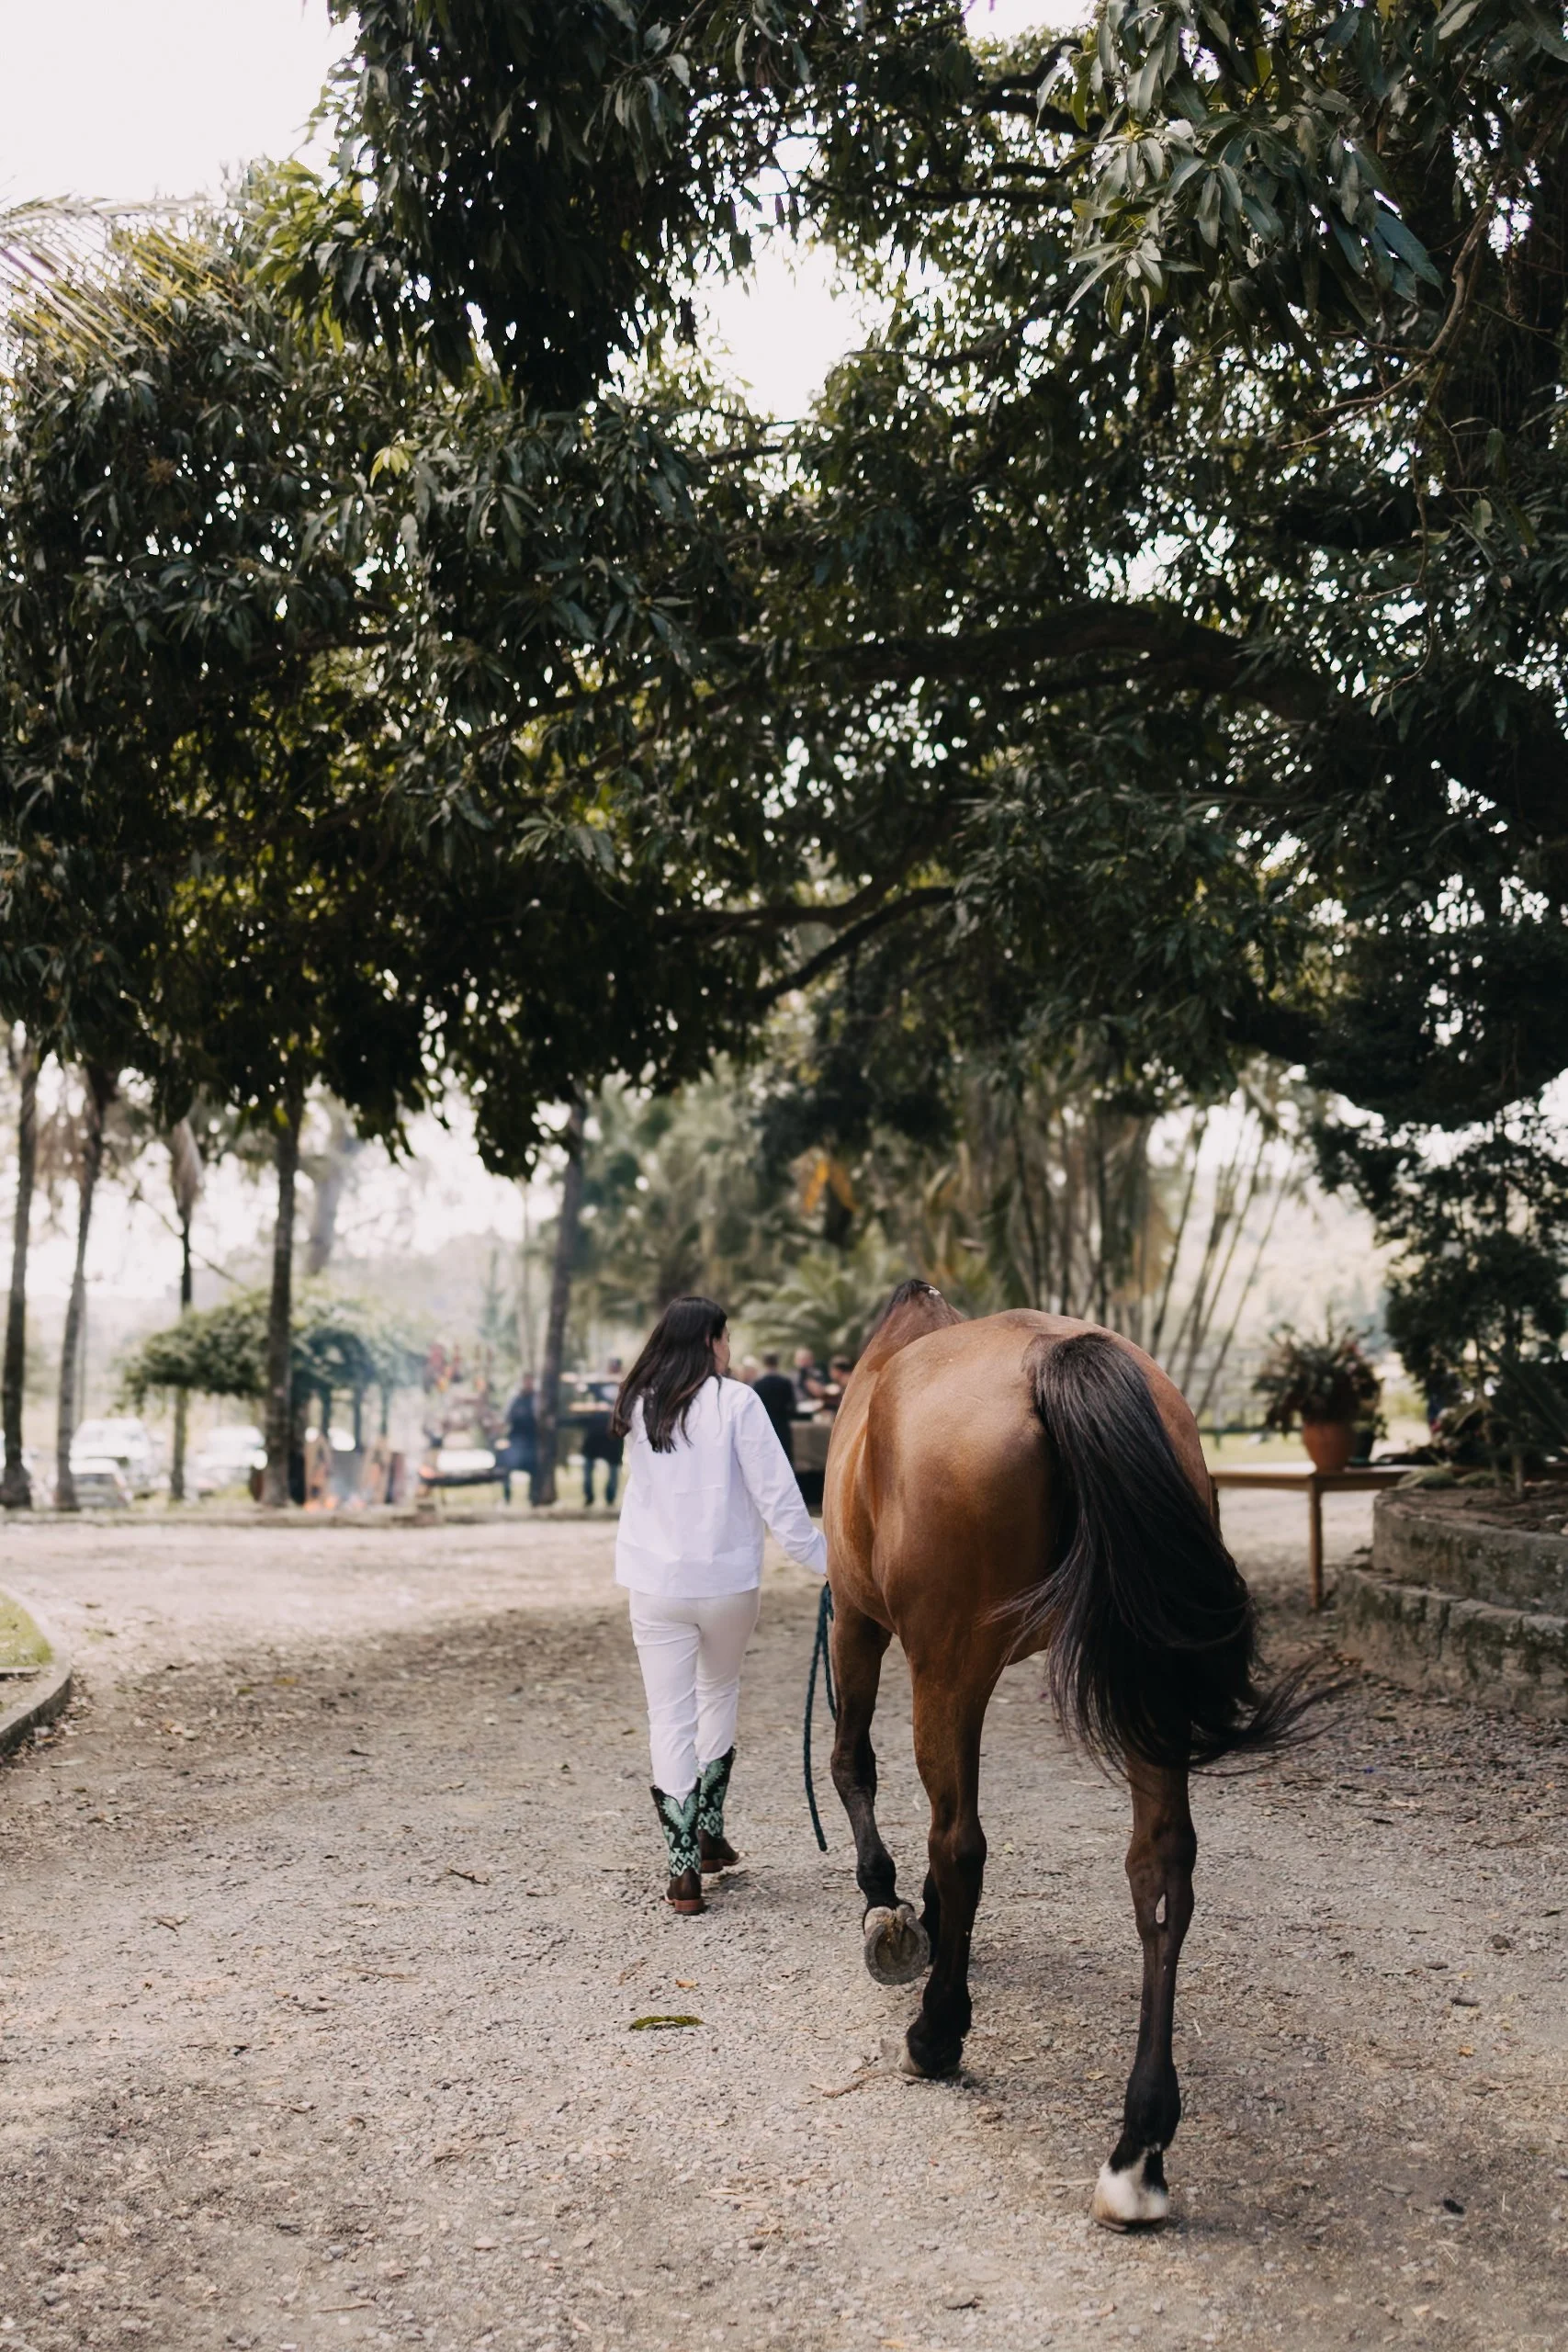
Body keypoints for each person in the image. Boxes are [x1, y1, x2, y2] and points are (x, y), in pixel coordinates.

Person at [612, 1295, 827, 1915]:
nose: (728, 1350)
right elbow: (777, 1495)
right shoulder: (736, 1403)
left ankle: (683, 1867)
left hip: (655, 1580)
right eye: (725, 1338)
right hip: (727, 1581)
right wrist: (823, 1561)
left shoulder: (636, 1402)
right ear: (710, 1340)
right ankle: (709, 1833)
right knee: (718, 1692)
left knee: (667, 1714)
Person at [581, 1356, 626, 1507]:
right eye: (611, 1367)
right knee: (587, 1464)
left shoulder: (625, 1387)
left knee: (613, 1467)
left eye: (616, 1367)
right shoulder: (598, 1385)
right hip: (595, 1430)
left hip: (614, 1431)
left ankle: (610, 1497)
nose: (613, 1370)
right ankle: (589, 1496)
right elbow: (584, 1387)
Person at [751, 1352, 797, 1464]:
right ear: (777, 1363)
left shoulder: (758, 1384)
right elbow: (792, 1405)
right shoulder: (785, 1382)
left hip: (765, 1426)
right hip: (782, 1425)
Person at [501, 1375, 537, 1506]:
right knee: (506, 1468)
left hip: (531, 1440)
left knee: (534, 1469)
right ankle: (507, 1497)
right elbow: (506, 1419)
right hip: (515, 1440)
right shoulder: (515, 1399)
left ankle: (533, 1497)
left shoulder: (536, 1398)